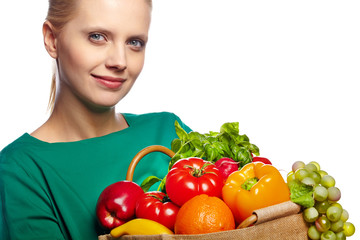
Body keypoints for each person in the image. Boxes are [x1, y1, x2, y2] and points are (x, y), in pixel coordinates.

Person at [0, 0, 191, 239]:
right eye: (97, 36)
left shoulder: (169, 133)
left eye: (134, 42)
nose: (119, 61)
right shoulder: (22, 169)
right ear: (52, 39)